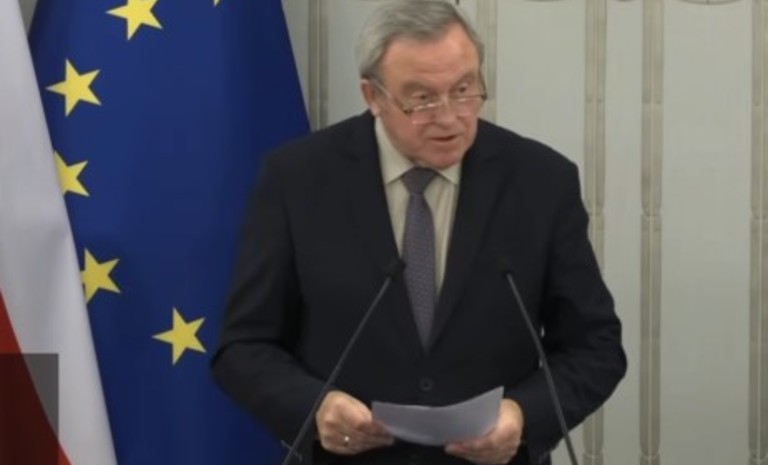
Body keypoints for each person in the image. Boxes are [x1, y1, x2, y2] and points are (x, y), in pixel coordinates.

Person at [211, 1, 626, 464]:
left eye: (464, 90)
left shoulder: (540, 182)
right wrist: (315, 408)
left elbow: (596, 347)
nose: (449, 117)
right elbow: (243, 347)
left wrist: (524, 416)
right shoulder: (297, 180)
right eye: (422, 98)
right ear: (373, 96)